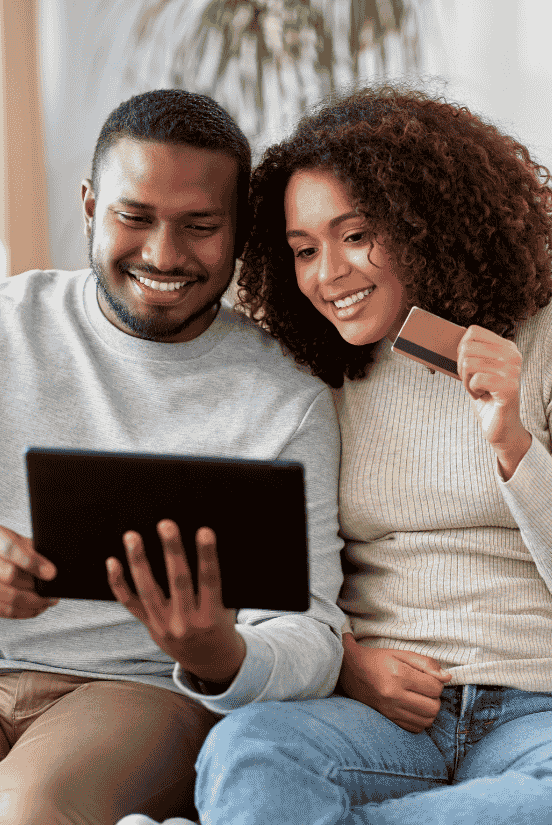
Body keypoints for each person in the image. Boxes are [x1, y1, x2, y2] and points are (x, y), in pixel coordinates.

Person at [134, 85, 552, 825]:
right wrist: (349, 657)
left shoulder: (541, 343)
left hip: (536, 713)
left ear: (428, 221)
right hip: (382, 714)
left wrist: (513, 442)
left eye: (356, 235)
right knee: (246, 756)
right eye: (303, 250)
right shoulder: (317, 376)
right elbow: (289, 573)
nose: (329, 274)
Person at [0, 89, 346, 825]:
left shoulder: (285, 399)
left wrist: (221, 651)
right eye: (134, 217)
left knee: (26, 809)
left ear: (242, 232)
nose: (163, 254)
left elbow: (313, 634)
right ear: (91, 207)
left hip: (139, 694)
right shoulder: (9, 327)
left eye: (200, 226)